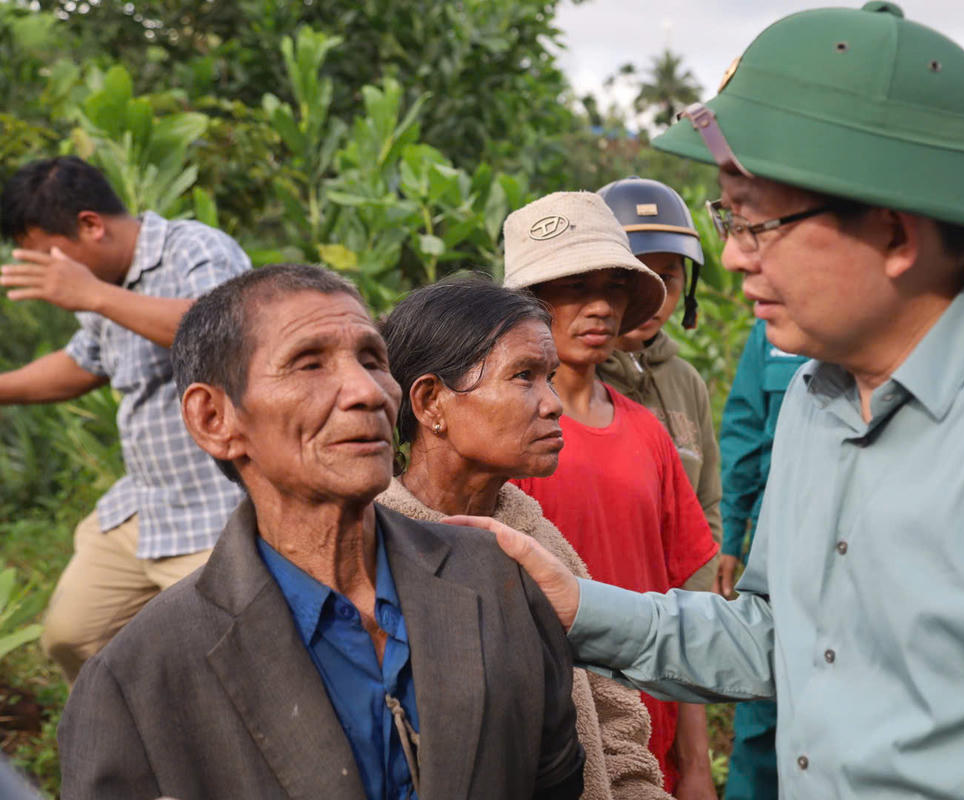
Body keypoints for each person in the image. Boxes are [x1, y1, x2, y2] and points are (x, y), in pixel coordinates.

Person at [453, 4, 964, 797]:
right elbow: (781, 638)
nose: (733, 258)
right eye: (727, 219)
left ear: (893, 233)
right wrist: (580, 607)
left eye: (754, 222)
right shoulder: (820, 396)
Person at [58, 264, 585, 800]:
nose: (366, 391)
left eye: (372, 360)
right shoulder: (138, 680)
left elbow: (556, 779)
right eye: (309, 364)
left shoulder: (499, 579)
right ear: (214, 418)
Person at [375, 276, 668, 800]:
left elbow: (615, 721)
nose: (554, 404)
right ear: (430, 402)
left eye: (549, 378)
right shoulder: (373, 555)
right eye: (524, 376)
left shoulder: (539, 542)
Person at [503, 192, 720, 797]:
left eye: (614, 289)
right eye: (574, 288)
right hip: (544, 745)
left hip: (651, 744)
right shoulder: (496, 436)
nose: (599, 307)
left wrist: (697, 765)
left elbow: (687, 607)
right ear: (529, 301)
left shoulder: (649, 433)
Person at [0, 156, 248, 682]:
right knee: (70, 637)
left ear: (90, 225)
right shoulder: (104, 286)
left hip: (216, 508)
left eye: (48, 256)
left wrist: (93, 294)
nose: (51, 273)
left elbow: (229, 332)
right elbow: (78, 365)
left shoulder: (194, 248)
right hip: (144, 505)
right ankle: (135, 739)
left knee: (229, 662)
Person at [595, 177, 723, 559]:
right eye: (630, 275)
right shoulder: (569, 380)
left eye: (666, 277)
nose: (651, 295)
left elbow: (709, 503)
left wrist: (701, 600)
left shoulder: (687, 381)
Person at [713, 318, 805, 800]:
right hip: (775, 542)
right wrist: (731, 536)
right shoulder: (773, 325)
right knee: (759, 703)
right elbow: (745, 431)